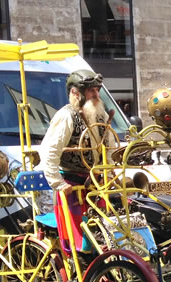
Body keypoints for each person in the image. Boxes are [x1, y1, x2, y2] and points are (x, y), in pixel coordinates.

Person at [39, 69, 115, 259]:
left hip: (96, 185)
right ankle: (80, 276)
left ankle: (104, 275)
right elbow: (49, 150)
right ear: (75, 92)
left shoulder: (102, 115)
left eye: (97, 90)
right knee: (79, 241)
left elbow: (110, 148)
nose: (96, 95)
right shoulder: (66, 116)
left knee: (104, 235)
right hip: (72, 187)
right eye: (91, 91)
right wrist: (59, 183)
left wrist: (111, 173)